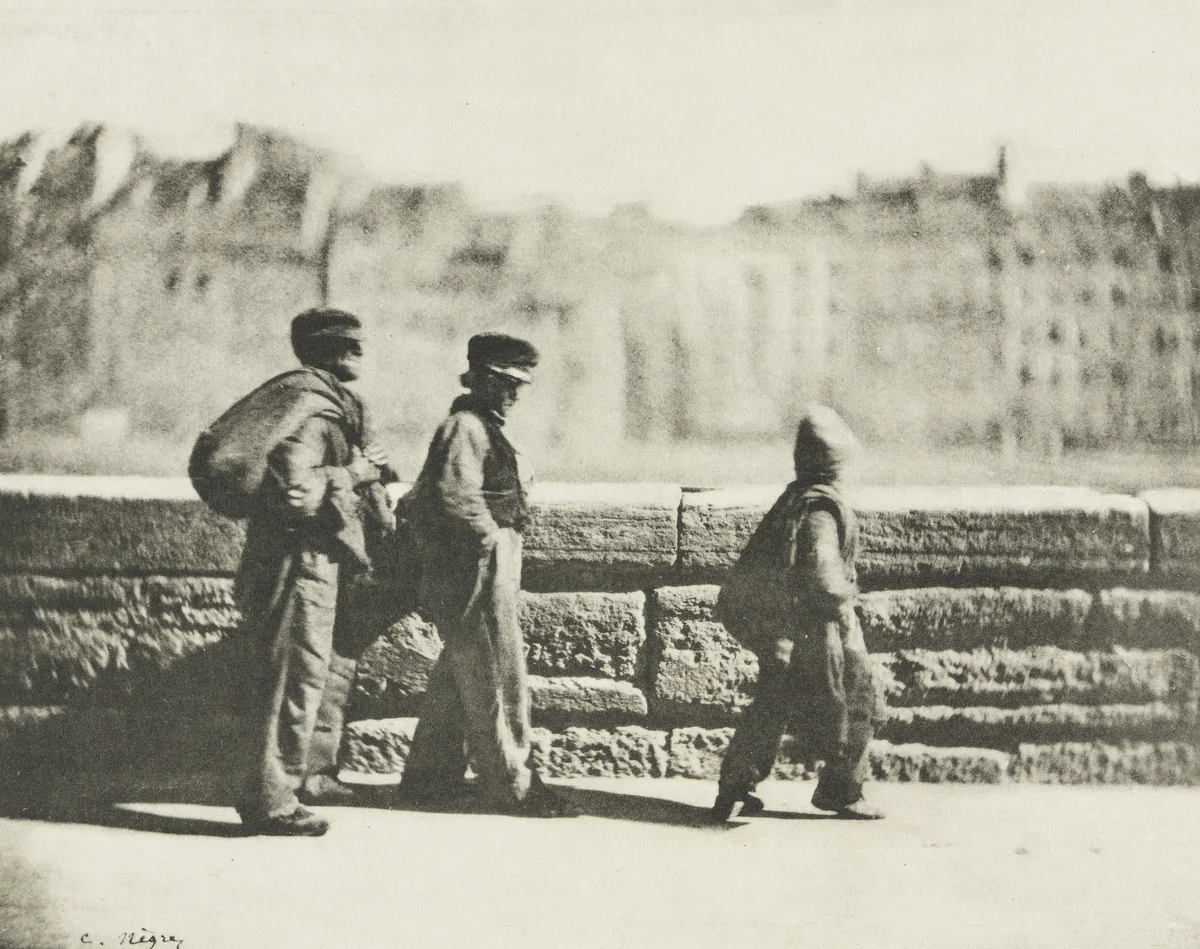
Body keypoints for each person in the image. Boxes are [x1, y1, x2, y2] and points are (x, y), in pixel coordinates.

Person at [397, 332, 578, 818]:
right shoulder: (466, 427)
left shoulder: (483, 425)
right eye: (503, 382)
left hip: (481, 559)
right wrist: (491, 543)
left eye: (519, 384)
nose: (513, 393)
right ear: (477, 378)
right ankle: (513, 783)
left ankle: (427, 778)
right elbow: (456, 496)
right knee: (496, 673)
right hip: (475, 563)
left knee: (460, 673)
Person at [234, 307, 397, 836]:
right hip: (298, 561)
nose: (360, 353)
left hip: (319, 559)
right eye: (348, 345)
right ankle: (271, 803)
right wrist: (357, 471)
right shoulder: (310, 414)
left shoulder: (330, 407)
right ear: (324, 351)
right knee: (290, 681)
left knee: (313, 674)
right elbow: (298, 495)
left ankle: (301, 780)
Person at [711, 406, 885, 822]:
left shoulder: (797, 498)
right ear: (835, 466)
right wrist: (847, 595)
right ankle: (843, 790)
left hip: (778, 626)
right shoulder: (822, 510)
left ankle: (733, 788)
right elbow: (823, 578)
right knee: (860, 698)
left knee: (772, 704)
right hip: (809, 628)